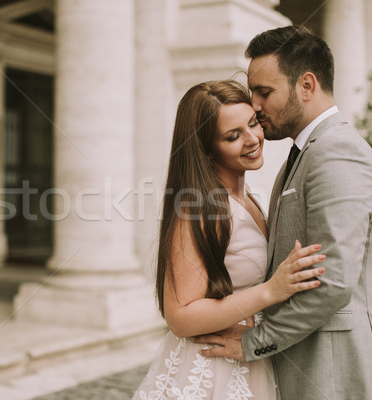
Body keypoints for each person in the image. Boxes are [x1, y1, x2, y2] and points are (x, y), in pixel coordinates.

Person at [193, 26, 372, 399]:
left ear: (306, 85)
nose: (254, 104)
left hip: (333, 370)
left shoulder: (336, 153)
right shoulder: (304, 152)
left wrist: (255, 341)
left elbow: (332, 282)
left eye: (264, 92)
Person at [133, 79, 326, 400]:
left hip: (245, 355)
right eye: (233, 136)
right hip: (210, 368)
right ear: (207, 148)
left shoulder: (246, 196)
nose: (253, 139)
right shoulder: (200, 207)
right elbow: (179, 317)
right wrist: (271, 291)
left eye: (253, 123)